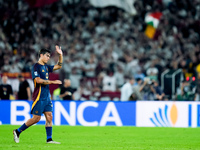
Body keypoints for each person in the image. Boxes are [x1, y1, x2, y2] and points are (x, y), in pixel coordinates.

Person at [13, 45, 63, 144]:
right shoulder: (36, 66)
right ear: (41, 55)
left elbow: (59, 66)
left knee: (49, 116)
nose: (49, 58)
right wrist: (53, 82)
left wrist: (60, 55)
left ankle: (49, 139)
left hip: (47, 96)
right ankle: (18, 131)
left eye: (49, 56)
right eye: (47, 56)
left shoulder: (46, 67)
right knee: (36, 118)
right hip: (39, 96)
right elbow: (38, 80)